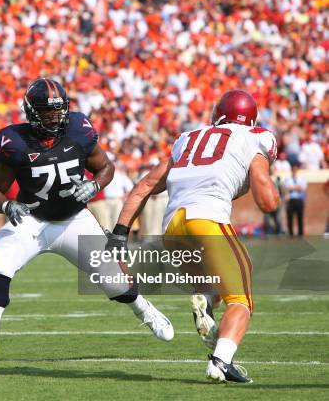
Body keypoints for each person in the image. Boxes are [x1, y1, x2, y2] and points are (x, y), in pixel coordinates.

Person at [0, 78, 173, 370]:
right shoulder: (15, 142)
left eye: (59, 110)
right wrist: (7, 205)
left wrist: (94, 186)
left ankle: (145, 310)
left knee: (116, 284)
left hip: (74, 220)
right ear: (31, 112)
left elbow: (106, 167)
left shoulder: (78, 130)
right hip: (31, 222)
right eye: (47, 111)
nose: (55, 116)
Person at [106, 90, 279, 383]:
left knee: (216, 283)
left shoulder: (188, 138)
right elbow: (266, 201)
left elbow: (145, 185)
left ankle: (206, 299)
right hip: (208, 220)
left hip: (174, 227)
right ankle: (221, 362)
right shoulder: (255, 137)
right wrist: (273, 192)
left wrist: (120, 233)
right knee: (241, 300)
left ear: (218, 115)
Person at [284, 163, 306, 236]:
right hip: (291, 200)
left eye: (295, 169)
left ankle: (300, 234)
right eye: (293, 169)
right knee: (290, 217)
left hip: (299, 199)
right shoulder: (288, 179)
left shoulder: (301, 178)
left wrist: (292, 187)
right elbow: (287, 188)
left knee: (300, 216)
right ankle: (291, 234)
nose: (294, 170)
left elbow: (302, 188)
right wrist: (296, 187)